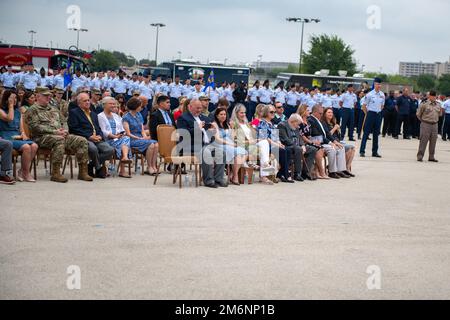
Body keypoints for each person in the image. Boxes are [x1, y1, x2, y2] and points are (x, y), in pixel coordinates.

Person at [25, 87, 92, 183]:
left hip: (60, 134)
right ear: (38, 96)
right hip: (41, 137)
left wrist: (65, 130)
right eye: (46, 95)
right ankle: (55, 173)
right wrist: (55, 132)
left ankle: (83, 172)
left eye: (49, 95)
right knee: (59, 140)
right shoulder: (32, 110)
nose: (48, 97)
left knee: (82, 140)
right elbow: (35, 127)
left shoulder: (53, 109)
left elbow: (64, 121)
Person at [177, 98, 227, 188]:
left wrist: (213, 130)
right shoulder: (183, 118)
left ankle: (218, 179)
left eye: (200, 108)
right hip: (190, 145)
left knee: (221, 152)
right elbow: (183, 133)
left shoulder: (204, 117)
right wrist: (197, 128)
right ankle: (208, 180)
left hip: (206, 144)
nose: (199, 110)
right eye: (197, 108)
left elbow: (209, 133)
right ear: (189, 107)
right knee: (206, 152)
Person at [68, 93, 114, 178]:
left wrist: (100, 135)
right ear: (79, 103)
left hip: (96, 138)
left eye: (88, 100)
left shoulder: (93, 114)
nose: (88, 102)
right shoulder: (74, 112)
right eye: (85, 101)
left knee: (110, 150)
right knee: (93, 149)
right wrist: (89, 136)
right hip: (84, 138)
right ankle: (98, 168)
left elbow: (98, 128)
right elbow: (73, 128)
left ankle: (90, 165)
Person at [0, 90, 38, 182]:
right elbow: (9, 118)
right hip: (6, 136)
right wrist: (10, 106)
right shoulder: (1, 110)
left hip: (16, 136)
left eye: (16, 98)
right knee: (26, 147)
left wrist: (23, 134)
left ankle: (23, 171)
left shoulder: (18, 111)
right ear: (6, 99)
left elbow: (21, 129)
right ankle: (26, 173)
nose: (14, 100)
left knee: (34, 145)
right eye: (12, 98)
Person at [308, 105, 350, 179]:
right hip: (318, 142)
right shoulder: (311, 120)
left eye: (321, 113)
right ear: (314, 112)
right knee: (332, 149)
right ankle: (332, 171)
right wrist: (331, 143)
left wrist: (334, 142)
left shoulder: (318, 120)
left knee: (340, 148)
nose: (321, 115)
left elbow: (327, 134)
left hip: (324, 141)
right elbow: (318, 135)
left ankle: (340, 170)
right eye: (320, 113)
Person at [122, 97, 159, 175]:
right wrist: (139, 138)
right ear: (135, 106)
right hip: (132, 139)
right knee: (151, 144)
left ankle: (153, 166)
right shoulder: (126, 117)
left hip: (140, 137)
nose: (141, 107)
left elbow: (142, 129)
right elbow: (128, 133)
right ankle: (149, 167)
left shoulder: (139, 115)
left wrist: (144, 136)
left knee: (156, 143)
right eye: (139, 106)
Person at [256, 104, 292, 184]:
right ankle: (285, 175)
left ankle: (281, 174)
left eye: (274, 112)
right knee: (281, 151)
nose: (273, 114)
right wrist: (276, 145)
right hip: (266, 145)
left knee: (288, 150)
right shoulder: (262, 123)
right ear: (266, 113)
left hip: (273, 144)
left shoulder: (271, 123)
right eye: (271, 112)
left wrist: (279, 143)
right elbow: (264, 138)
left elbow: (276, 137)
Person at [98, 97, 132, 178]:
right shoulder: (100, 116)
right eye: (111, 104)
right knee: (125, 142)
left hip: (117, 138)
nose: (113, 105)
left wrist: (121, 134)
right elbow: (103, 131)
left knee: (126, 138)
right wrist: (113, 136)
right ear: (104, 105)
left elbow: (121, 128)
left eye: (114, 104)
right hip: (107, 140)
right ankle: (123, 167)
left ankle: (124, 158)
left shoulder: (116, 116)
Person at [212, 107, 247, 185]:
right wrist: (230, 144)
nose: (223, 116)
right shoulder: (214, 124)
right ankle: (234, 177)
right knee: (237, 153)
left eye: (224, 114)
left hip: (229, 143)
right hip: (219, 144)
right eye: (221, 114)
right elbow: (217, 139)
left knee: (244, 152)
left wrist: (232, 128)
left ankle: (233, 174)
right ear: (217, 116)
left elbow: (232, 137)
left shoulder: (226, 124)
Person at [321, 107, 355, 176]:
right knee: (342, 148)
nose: (331, 114)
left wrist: (338, 131)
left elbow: (338, 137)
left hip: (337, 141)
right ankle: (341, 169)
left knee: (352, 148)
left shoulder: (333, 122)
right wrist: (334, 128)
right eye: (329, 112)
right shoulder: (323, 123)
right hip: (331, 142)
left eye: (331, 112)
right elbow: (327, 135)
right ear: (325, 114)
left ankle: (346, 168)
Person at [297, 105, 326, 179]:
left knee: (320, 148)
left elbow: (309, 135)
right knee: (317, 148)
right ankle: (320, 172)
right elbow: (302, 136)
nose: (309, 112)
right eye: (307, 110)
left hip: (308, 141)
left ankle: (316, 171)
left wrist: (314, 141)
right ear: (303, 111)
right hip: (302, 142)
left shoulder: (308, 122)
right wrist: (311, 142)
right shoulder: (299, 122)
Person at [278, 114, 308, 182]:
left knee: (312, 149)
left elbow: (299, 137)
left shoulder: (295, 126)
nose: (298, 126)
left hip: (295, 146)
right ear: (293, 121)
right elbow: (285, 139)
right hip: (288, 145)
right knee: (298, 149)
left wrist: (302, 145)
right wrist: (298, 146)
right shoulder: (282, 125)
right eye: (297, 124)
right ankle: (297, 174)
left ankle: (305, 172)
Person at [360, 78, 385, 158]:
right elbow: (364, 106)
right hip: (370, 114)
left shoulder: (382, 94)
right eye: (377, 84)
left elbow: (382, 106)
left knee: (376, 134)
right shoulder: (369, 94)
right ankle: (362, 151)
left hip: (378, 115)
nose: (379, 86)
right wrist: (368, 114)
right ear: (374, 84)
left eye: (380, 84)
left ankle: (375, 152)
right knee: (366, 133)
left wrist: (378, 112)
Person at [416, 91, 443, 162]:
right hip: (426, 124)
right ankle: (420, 156)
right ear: (429, 96)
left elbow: (440, 114)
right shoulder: (424, 104)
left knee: (433, 141)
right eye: (432, 96)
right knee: (423, 141)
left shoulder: (438, 104)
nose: (434, 97)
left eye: (435, 96)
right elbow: (418, 114)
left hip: (435, 125)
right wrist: (424, 121)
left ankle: (431, 157)